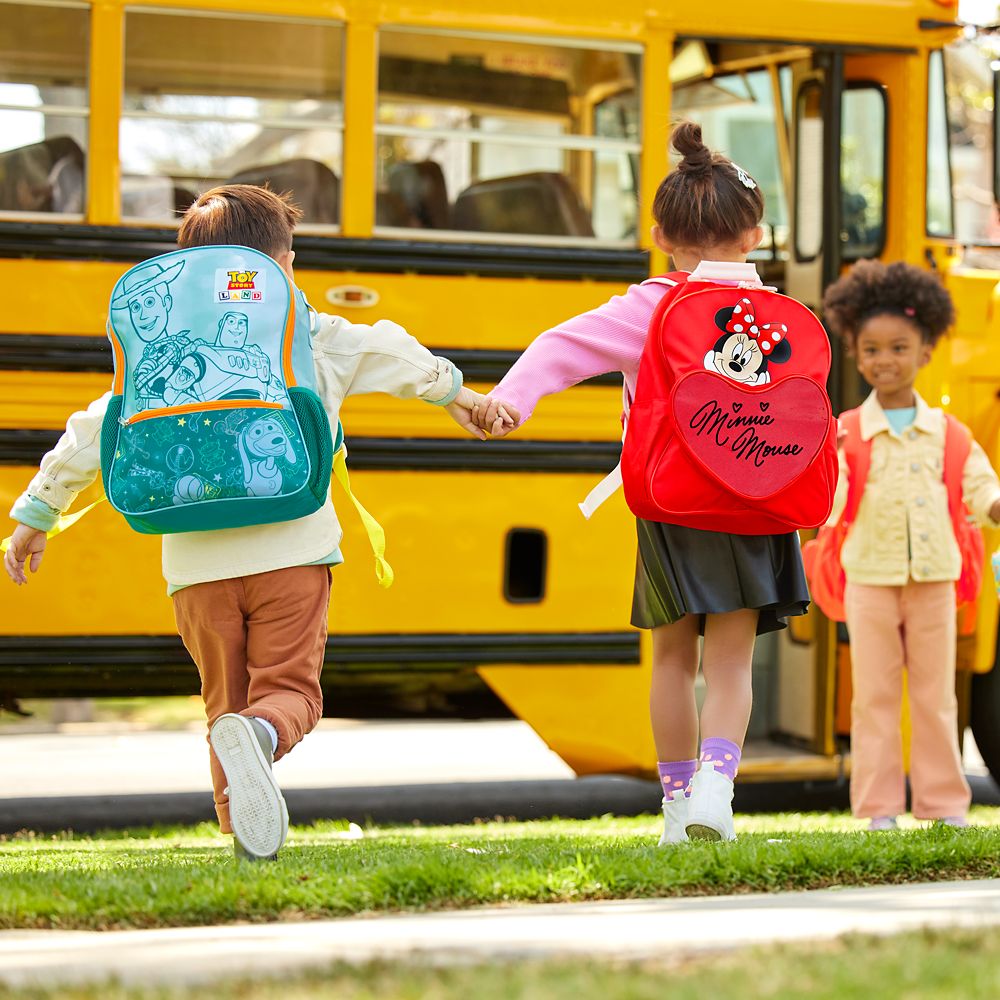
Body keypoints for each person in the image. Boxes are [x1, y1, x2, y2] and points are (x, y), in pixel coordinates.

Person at [3, 183, 502, 861]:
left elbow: (93, 430)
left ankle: (244, 839)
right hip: (293, 552)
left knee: (222, 709)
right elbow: (390, 351)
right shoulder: (310, 334)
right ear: (284, 261)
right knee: (286, 695)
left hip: (194, 571)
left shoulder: (159, 358)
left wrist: (38, 512)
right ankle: (264, 737)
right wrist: (458, 395)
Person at [472, 122, 812, 843]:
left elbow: (559, 345)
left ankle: (674, 807)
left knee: (670, 658)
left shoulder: (650, 306)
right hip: (757, 504)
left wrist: (511, 400)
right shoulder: (779, 315)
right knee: (730, 661)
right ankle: (720, 786)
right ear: (754, 235)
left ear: (660, 233)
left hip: (672, 504)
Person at [821, 259, 1000, 830]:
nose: (884, 360)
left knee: (936, 698)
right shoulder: (846, 431)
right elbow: (827, 501)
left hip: (935, 582)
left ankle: (944, 805)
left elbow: (980, 487)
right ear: (855, 352)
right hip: (868, 582)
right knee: (873, 700)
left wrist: (995, 505)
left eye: (899, 347)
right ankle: (877, 808)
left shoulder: (951, 434)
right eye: (871, 349)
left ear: (925, 352)